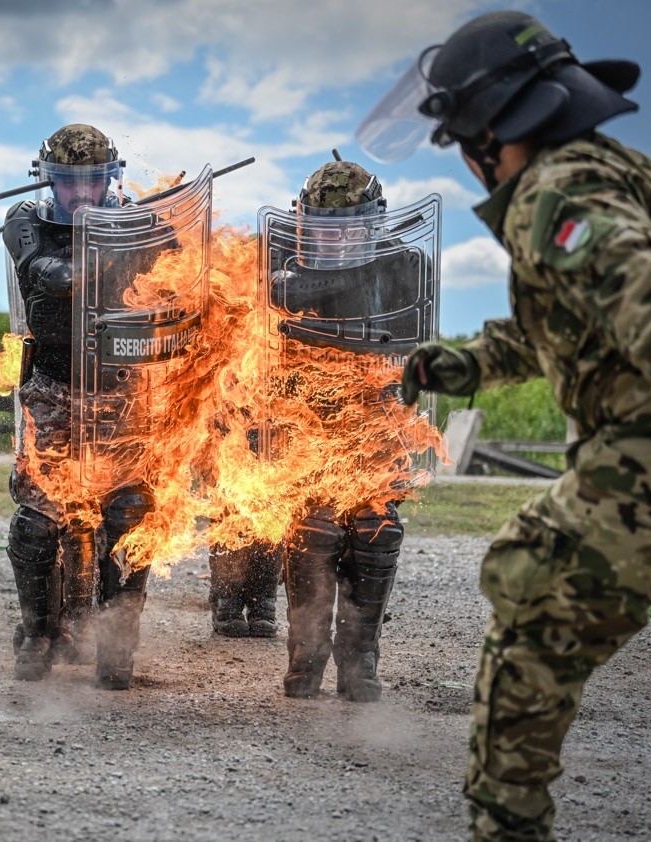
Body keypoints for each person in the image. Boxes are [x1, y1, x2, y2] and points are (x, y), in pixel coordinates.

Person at [359, 9, 651, 840]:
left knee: (531, 592)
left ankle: (506, 827)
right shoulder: (621, 168)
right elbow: (583, 318)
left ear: (492, 130)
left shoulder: (555, 191)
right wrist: (464, 363)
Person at [1, 123, 155, 690]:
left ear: (109, 178)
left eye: (93, 182)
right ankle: (38, 637)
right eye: (69, 184)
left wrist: (137, 229)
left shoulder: (136, 217)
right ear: (50, 180)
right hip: (52, 388)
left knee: (128, 514)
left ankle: (116, 651)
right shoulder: (26, 220)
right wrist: (112, 245)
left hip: (122, 392)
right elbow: (51, 275)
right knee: (39, 522)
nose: (82, 195)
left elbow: (178, 266)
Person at [265, 159, 422, 702]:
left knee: (377, 531)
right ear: (305, 226)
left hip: (375, 424)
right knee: (312, 532)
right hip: (307, 425)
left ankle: (361, 660)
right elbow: (283, 294)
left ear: (373, 224)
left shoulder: (407, 265)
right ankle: (306, 656)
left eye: (350, 227)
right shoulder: (282, 265)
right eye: (325, 229)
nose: (339, 239)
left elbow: (409, 343)